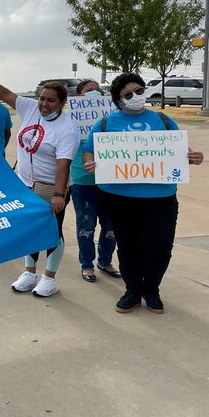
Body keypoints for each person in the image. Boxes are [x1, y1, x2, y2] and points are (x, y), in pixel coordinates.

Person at [82, 72, 204, 314]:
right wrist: (90, 162)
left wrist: (193, 156)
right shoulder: (106, 124)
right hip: (119, 198)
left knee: (159, 247)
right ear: (118, 100)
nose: (136, 96)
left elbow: (179, 150)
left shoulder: (164, 120)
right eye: (128, 94)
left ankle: (152, 289)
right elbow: (89, 150)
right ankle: (132, 291)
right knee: (128, 246)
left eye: (139, 90)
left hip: (161, 199)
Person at [0, 70, 79, 297]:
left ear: (62, 103)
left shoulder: (67, 129)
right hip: (25, 184)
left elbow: (63, 165)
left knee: (52, 231)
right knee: (29, 230)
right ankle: (29, 273)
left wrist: (59, 194)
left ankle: (49, 278)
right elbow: (6, 93)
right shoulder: (30, 109)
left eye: (51, 100)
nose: (44, 104)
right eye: (42, 98)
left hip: (50, 187)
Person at [70, 80, 120, 282]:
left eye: (98, 90)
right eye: (89, 90)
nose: (95, 93)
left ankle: (105, 261)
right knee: (86, 226)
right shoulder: (71, 120)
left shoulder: (112, 120)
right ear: (79, 96)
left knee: (111, 227)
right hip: (83, 181)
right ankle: (87, 264)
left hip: (110, 181)